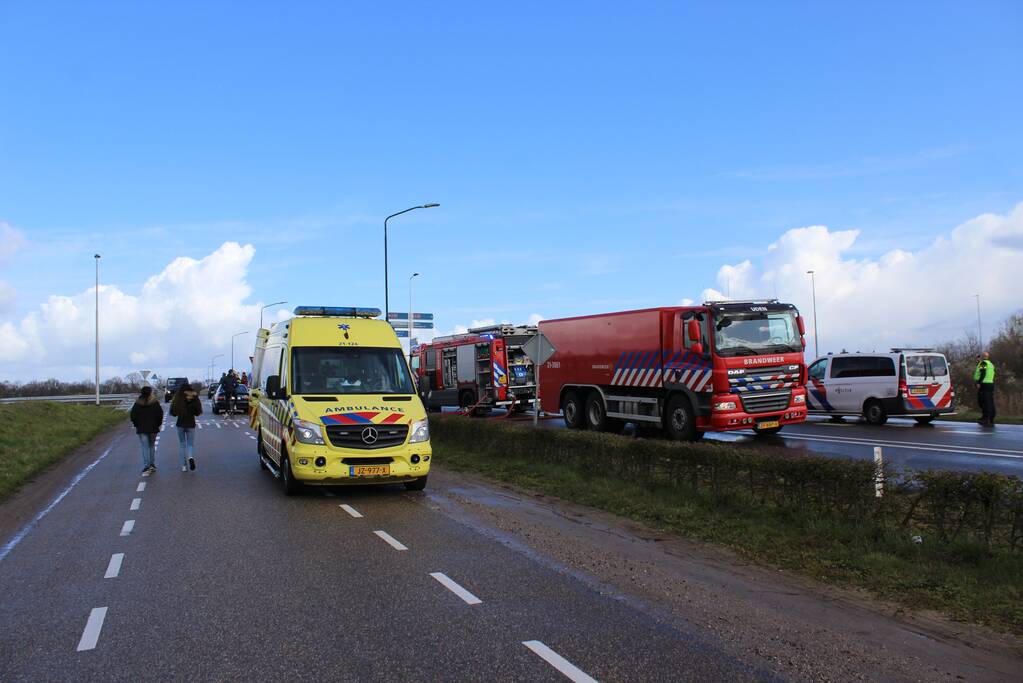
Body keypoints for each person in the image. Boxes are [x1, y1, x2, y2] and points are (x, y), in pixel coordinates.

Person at [129, 386, 163, 474]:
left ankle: (146, 466)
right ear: (150, 392)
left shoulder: (137, 403)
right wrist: (158, 424)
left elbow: (133, 415)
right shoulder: (155, 403)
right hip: (153, 428)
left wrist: (136, 424)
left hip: (141, 428)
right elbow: (160, 414)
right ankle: (152, 464)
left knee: (145, 447)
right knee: (152, 446)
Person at [170, 381, 203, 471]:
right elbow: (198, 412)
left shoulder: (178, 397)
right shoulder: (194, 397)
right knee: (190, 444)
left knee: (182, 445)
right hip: (191, 424)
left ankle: (184, 466)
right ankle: (190, 457)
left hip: (180, 423)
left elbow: (173, 412)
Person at [974, 352, 997, 426]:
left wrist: (979, 383)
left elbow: (983, 373)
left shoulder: (983, 364)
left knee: (983, 402)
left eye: (980, 357)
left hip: (984, 384)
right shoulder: (990, 364)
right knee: (990, 401)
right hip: (990, 384)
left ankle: (985, 418)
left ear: (982, 357)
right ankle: (991, 417)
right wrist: (978, 362)